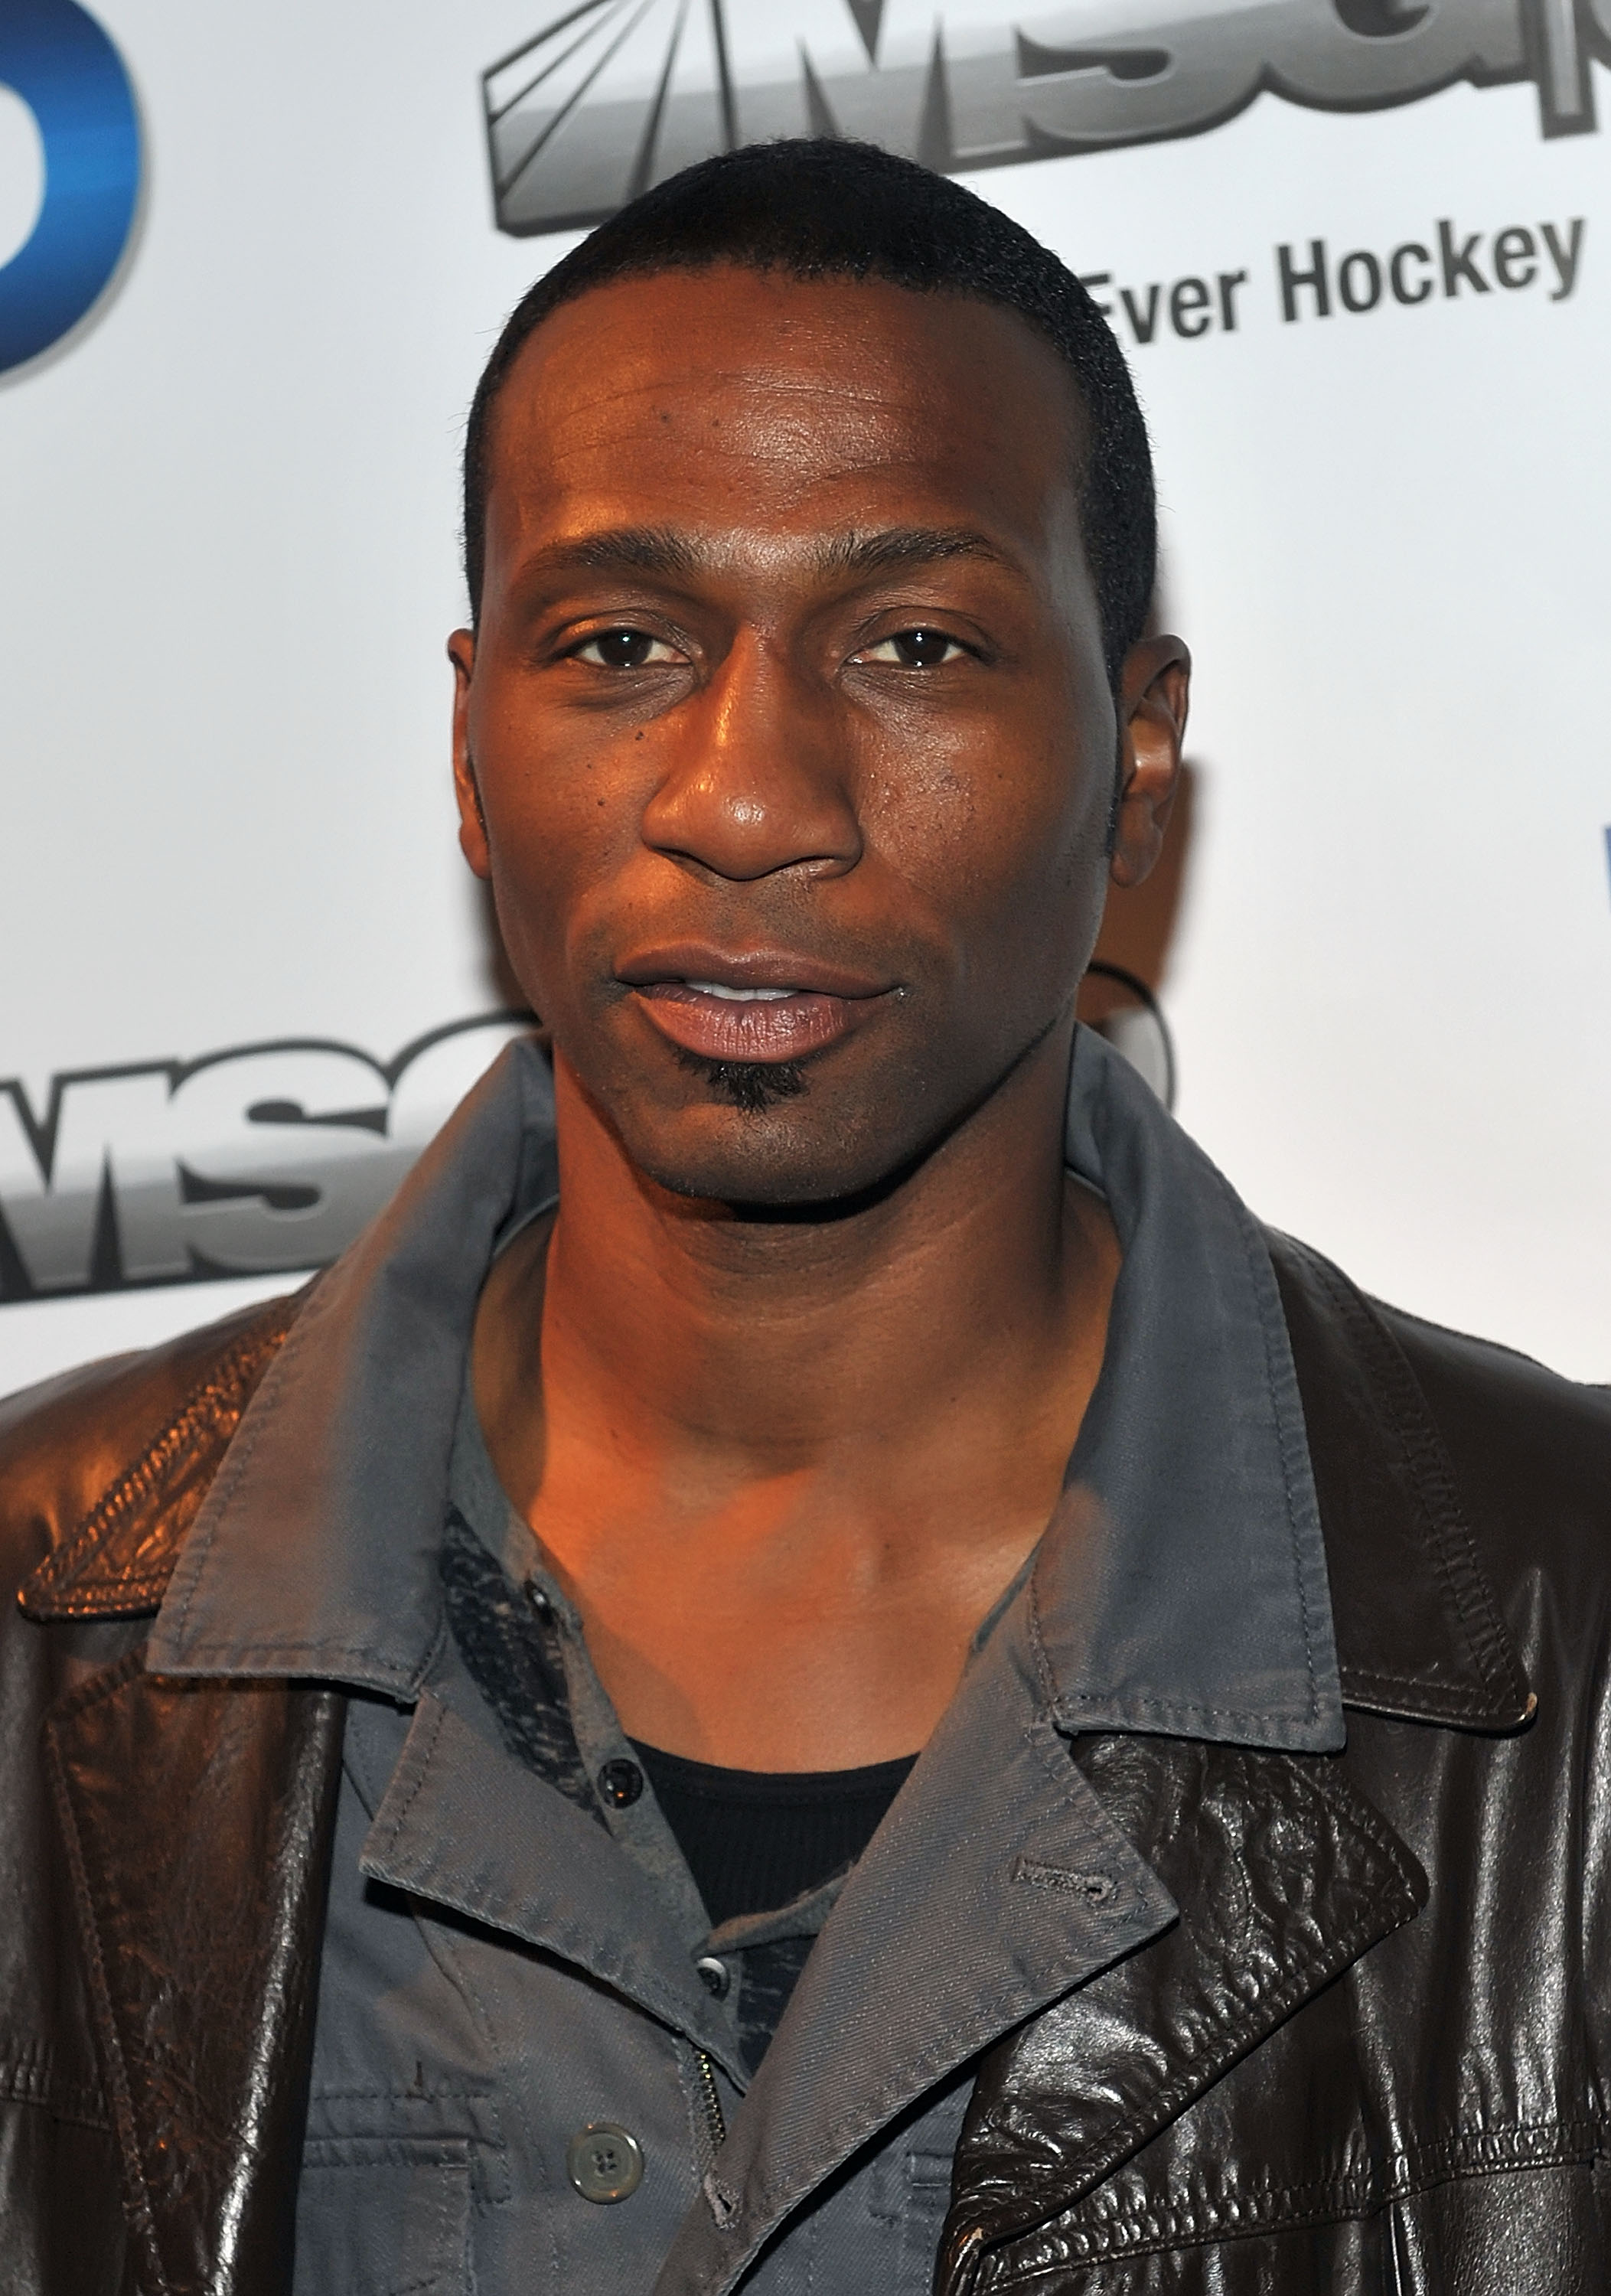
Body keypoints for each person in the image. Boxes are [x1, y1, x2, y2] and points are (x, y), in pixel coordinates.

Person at [2, 137, 1607, 2296]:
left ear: (1134, 760)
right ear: (471, 750)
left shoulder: (1574, 1648)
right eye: (621, 645)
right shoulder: (33, 1623)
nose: (748, 799)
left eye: (915, 644)